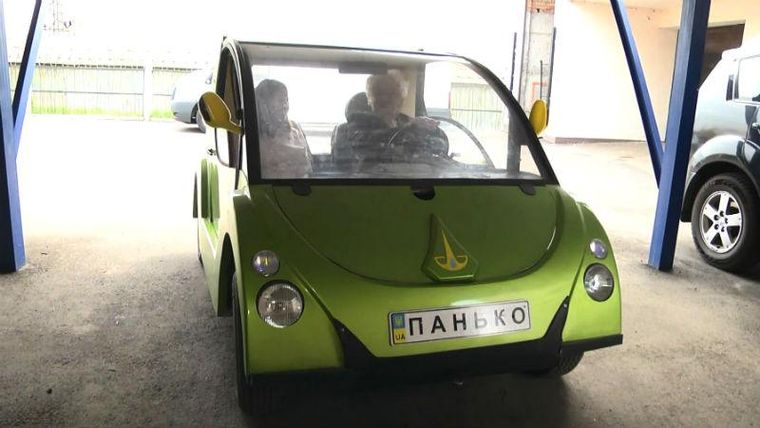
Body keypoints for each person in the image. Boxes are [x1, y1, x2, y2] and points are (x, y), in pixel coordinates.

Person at [332, 70, 446, 168]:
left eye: (392, 94)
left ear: (401, 99)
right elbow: (368, 141)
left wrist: (432, 131)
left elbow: (434, 146)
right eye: (378, 93)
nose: (385, 99)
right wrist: (410, 129)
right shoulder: (354, 125)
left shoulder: (407, 122)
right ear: (370, 99)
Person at [255, 79, 312, 178]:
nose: (285, 106)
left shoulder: (295, 128)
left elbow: (309, 165)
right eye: (281, 100)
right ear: (264, 105)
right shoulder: (255, 132)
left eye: (286, 100)